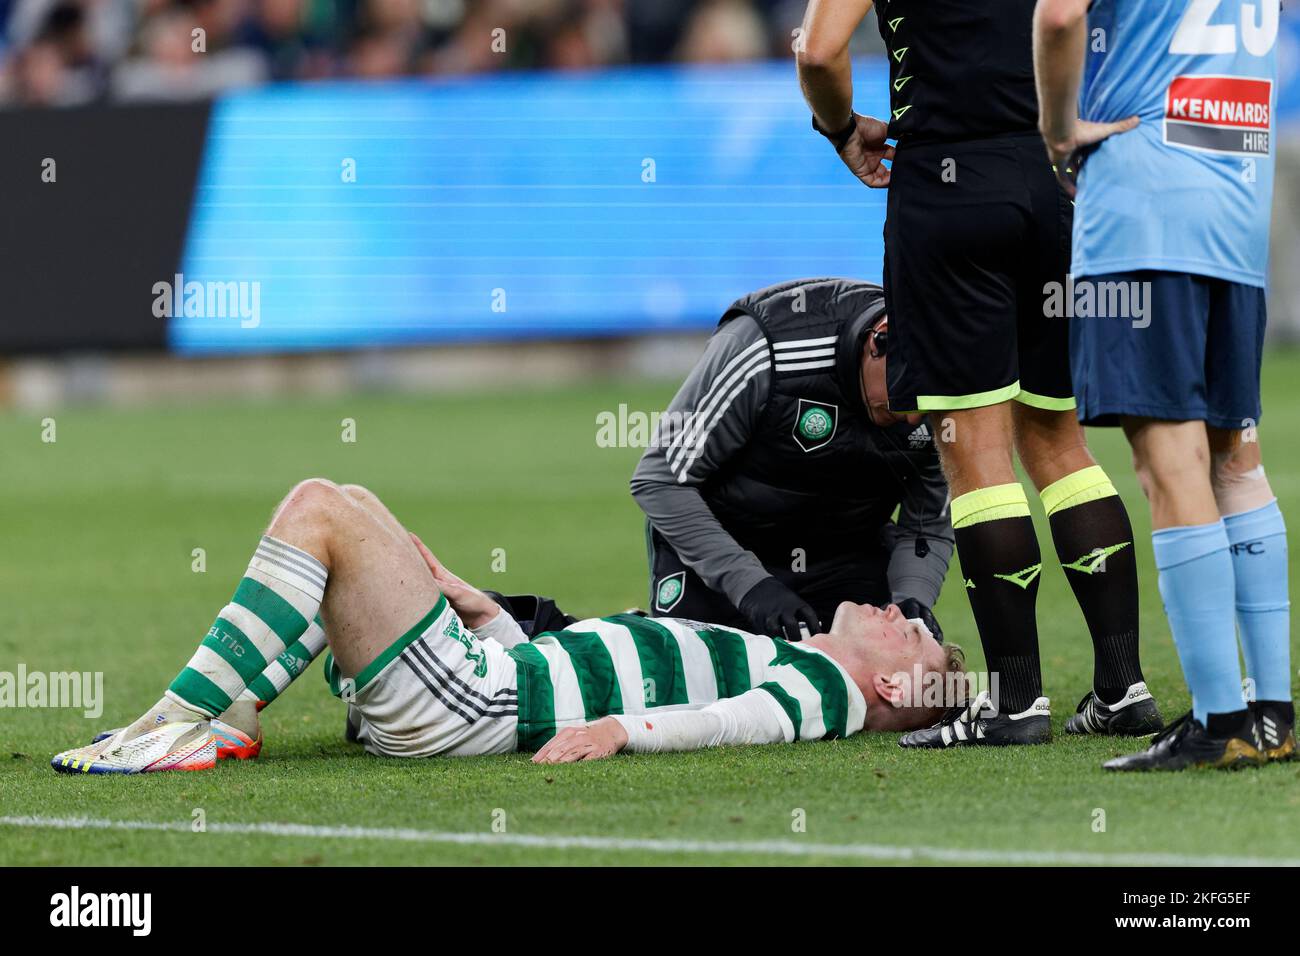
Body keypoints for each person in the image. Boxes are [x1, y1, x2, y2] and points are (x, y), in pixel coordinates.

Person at [794, 0, 1161, 747]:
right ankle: (1123, 686)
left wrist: (841, 129)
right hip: (1049, 181)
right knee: (1061, 445)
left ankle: (1015, 702)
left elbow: (818, 52)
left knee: (976, 458)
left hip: (947, 187)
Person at [51, 478, 965, 774]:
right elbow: (571, 672)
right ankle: (231, 713)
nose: (899, 609)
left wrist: (617, 733)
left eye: (912, 634)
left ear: (890, 686)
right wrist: (488, 615)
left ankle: (169, 726)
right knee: (357, 510)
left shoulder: (819, 689)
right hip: (485, 678)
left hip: (472, 705)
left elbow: (731, 724)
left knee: (322, 510)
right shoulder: (795, 660)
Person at [1035, 0, 1292, 770]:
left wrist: (1058, 130)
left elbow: (1056, 17)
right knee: (1235, 461)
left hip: (1146, 207)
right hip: (1238, 206)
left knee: (1167, 465)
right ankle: (1272, 714)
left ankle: (1219, 723)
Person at [632, 277, 952, 645]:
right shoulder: (762, 348)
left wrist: (911, 600)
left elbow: (927, 522)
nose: (914, 419)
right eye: (905, 397)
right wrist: (752, 586)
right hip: (726, 550)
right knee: (702, 687)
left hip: (844, 554)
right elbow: (661, 480)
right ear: (877, 342)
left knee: (882, 691)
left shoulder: (946, 390)